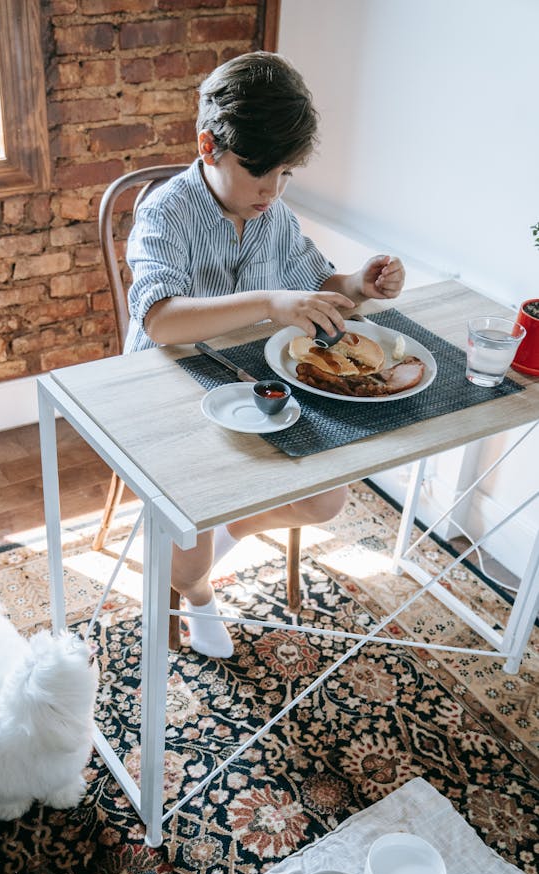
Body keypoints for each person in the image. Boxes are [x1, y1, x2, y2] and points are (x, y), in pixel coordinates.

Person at [125, 51, 406, 659]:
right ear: (209, 146)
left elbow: (314, 288)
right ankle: (198, 593)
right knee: (185, 562)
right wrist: (267, 303)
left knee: (328, 497)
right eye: (261, 174)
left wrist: (359, 282)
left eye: (285, 176)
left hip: (254, 391)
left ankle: (227, 526)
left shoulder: (272, 214)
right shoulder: (163, 212)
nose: (272, 191)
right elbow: (160, 320)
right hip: (168, 394)